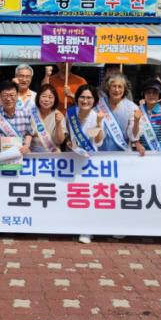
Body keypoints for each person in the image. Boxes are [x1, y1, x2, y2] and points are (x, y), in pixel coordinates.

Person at [66, 84, 105, 244]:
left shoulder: (96, 116)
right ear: (77, 98)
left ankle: (87, 229)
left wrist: (99, 124)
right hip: (72, 159)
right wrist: (68, 141)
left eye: (89, 97)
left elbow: (98, 141)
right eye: (82, 97)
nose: (85, 100)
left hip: (89, 161)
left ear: (94, 100)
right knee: (73, 194)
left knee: (88, 195)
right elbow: (67, 133)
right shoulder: (70, 113)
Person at [97, 74, 143, 155]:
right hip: (100, 153)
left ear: (125, 89)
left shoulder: (132, 107)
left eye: (120, 86)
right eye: (114, 86)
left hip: (122, 155)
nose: (117, 90)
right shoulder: (98, 104)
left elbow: (133, 136)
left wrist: (136, 121)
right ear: (108, 88)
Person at [0, 80, 33, 153]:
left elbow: (28, 133)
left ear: (17, 96)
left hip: (22, 155)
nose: (8, 99)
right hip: (1, 156)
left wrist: (26, 145)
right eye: (5, 95)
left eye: (12, 95)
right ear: (0, 96)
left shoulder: (25, 114)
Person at [30, 84, 66, 153]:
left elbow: (60, 141)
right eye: (44, 96)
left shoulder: (58, 114)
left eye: (50, 97)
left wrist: (58, 123)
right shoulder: (31, 112)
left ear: (55, 99)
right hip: (32, 154)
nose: (46, 100)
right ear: (38, 97)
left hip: (53, 154)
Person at [137, 79, 161, 152]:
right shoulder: (138, 109)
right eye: (148, 92)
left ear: (159, 95)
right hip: (142, 152)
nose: (151, 95)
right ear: (144, 94)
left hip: (160, 151)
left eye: (155, 93)